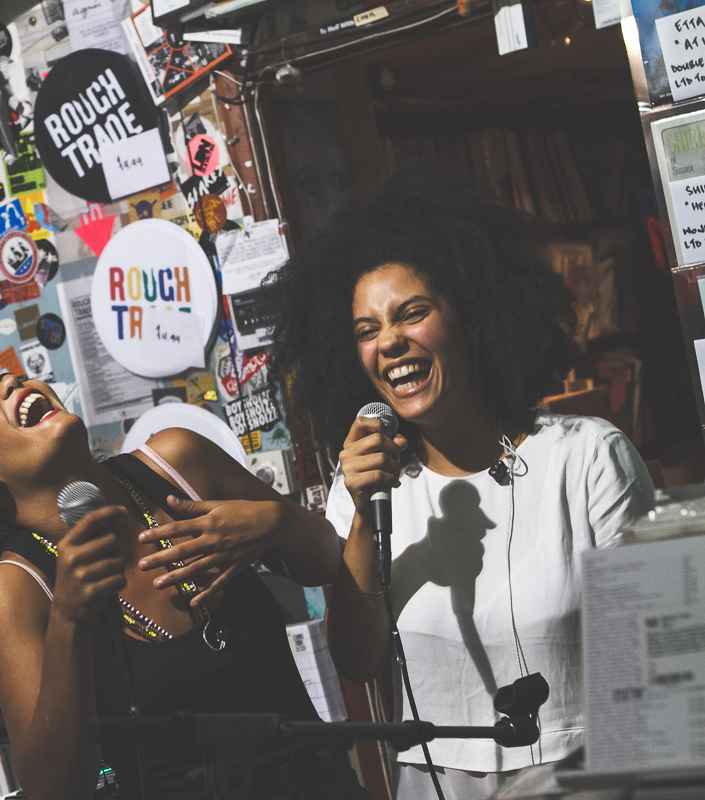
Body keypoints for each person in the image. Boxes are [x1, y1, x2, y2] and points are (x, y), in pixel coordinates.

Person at [268, 172, 656, 799]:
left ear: (472, 317)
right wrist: (365, 517)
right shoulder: (366, 489)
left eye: (412, 313)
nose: (389, 340)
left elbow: (655, 651)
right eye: (367, 330)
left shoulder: (585, 456)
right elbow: (358, 662)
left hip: (586, 772)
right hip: (433, 781)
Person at [0, 371, 369, 800]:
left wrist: (277, 521)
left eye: (7, 378)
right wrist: (68, 622)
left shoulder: (180, 460)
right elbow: (52, 789)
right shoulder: (13, 590)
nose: (9, 386)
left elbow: (328, 561)